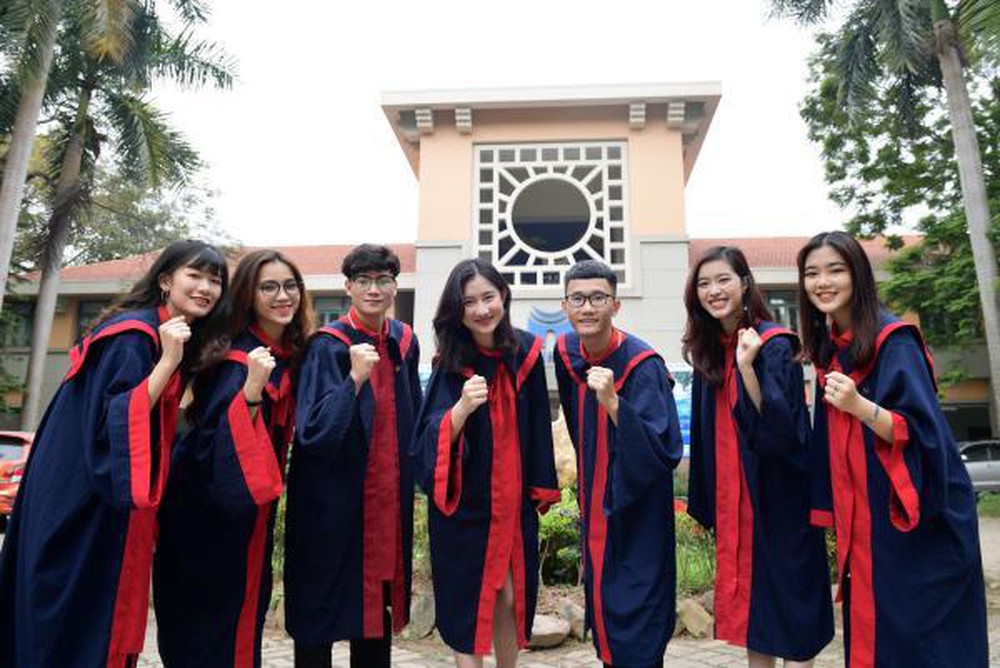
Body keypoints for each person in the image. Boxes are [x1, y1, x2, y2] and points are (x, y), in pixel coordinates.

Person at [0, 240, 227, 668]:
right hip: (84, 499)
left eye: (214, 281)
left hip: (86, 491)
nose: (205, 288)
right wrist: (167, 363)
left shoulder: (157, 333)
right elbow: (117, 423)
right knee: (76, 617)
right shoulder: (134, 338)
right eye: (194, 275)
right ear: (166, 280)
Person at [799, 230, 987, 668]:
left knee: (919, 639)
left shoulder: (894, 340)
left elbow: (923, 434)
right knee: (880, 630)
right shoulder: (833, 348)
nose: (822, 282)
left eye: (835, 270)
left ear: (858, 275)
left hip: (916, 517)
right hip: (871, 517)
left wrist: (859, 406)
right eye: (812, 273)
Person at [154, 249, 313, 667]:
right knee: (212, 630)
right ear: (247, 296)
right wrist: (252, 394)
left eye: (290, 285)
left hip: (246, 519)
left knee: (238, 622)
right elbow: (219, 444)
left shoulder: (286, 353)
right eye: (268, 287)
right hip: (207, 519)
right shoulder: (237, 359)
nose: (283, 296)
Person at [684, 246, 833, 668]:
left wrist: (748, 367)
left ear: (745, 283)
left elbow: (784, 432)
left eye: (723, 279)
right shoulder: (708, 351)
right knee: (757, 619)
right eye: (704, 283)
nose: (714, 290)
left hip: (781, 501)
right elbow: (705, 434)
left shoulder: (775, 344)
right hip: (736, 505)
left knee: (795, 616)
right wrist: (709, 502)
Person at [412, 258, 559, 668]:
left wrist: (540, 486)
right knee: (469, 599)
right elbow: (426, 439)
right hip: (464, 505)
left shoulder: (527, 352)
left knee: (509, 596)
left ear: (504, 296)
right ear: (456, 310)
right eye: (468, 302)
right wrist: (460, 409)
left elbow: (538, 425)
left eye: (488, 297)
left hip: (511, 501)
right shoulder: (451, 360)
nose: (481, 309)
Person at [284, 244, 422, 668]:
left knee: (376, 612)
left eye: (383, 280)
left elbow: (414, 414)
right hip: (331, 504)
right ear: (348, 288)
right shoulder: (327, 347)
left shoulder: (403, 342)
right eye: (363, 280)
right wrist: (353, 381)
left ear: (395, 286)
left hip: (384, 503)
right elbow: (312, 432)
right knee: (319, 607)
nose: (373, 289)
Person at [552, 260, 684, 668]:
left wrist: (613, 404)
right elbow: (576, 423)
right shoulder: (567, 352)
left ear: (616, 305)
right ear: (565, 306)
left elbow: (662, 453)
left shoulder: (643, 366)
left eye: (598, 298)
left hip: (638, 518)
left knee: (639, 627)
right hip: (596, 506)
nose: (588, 307)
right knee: (607, 616)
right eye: (578, 299)